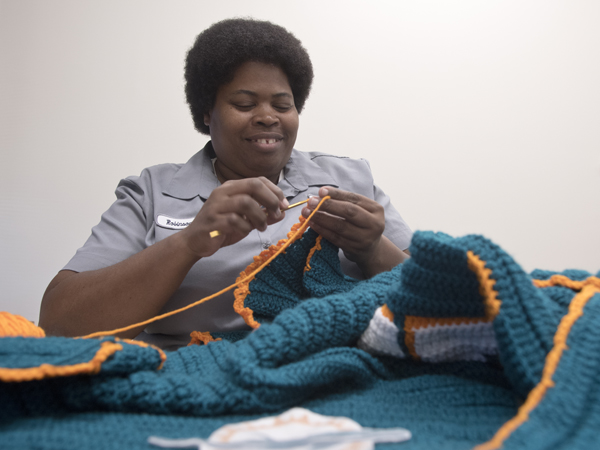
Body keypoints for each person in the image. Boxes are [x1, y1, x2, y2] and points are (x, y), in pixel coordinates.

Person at [39, 18, 412, 350]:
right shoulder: (151, 193)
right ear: (207, 112)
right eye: (245, 104)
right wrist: (189, 243)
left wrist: (374, 250)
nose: (267, 117)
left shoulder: (351, 179)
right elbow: (58, 325)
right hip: (198, 380)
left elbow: (439, 300)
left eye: (283, 105)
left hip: (343, 371)